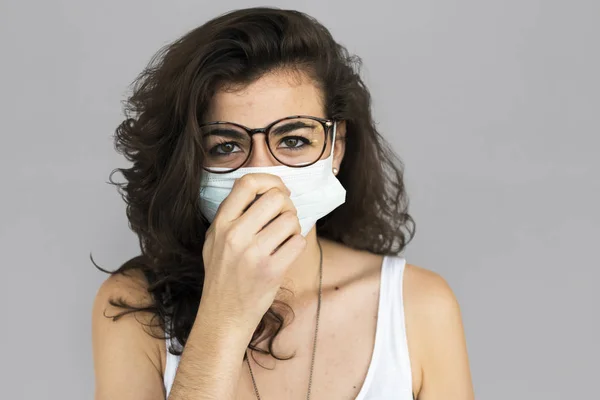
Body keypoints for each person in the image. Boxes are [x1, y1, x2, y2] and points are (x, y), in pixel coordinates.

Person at [92, 7, 474, 400]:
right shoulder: (132, 306)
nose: (261, 174)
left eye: (293, 141)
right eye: (226, 146)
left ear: (335, 147)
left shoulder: (420, 306)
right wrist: (223, 318)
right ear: (189, 163)